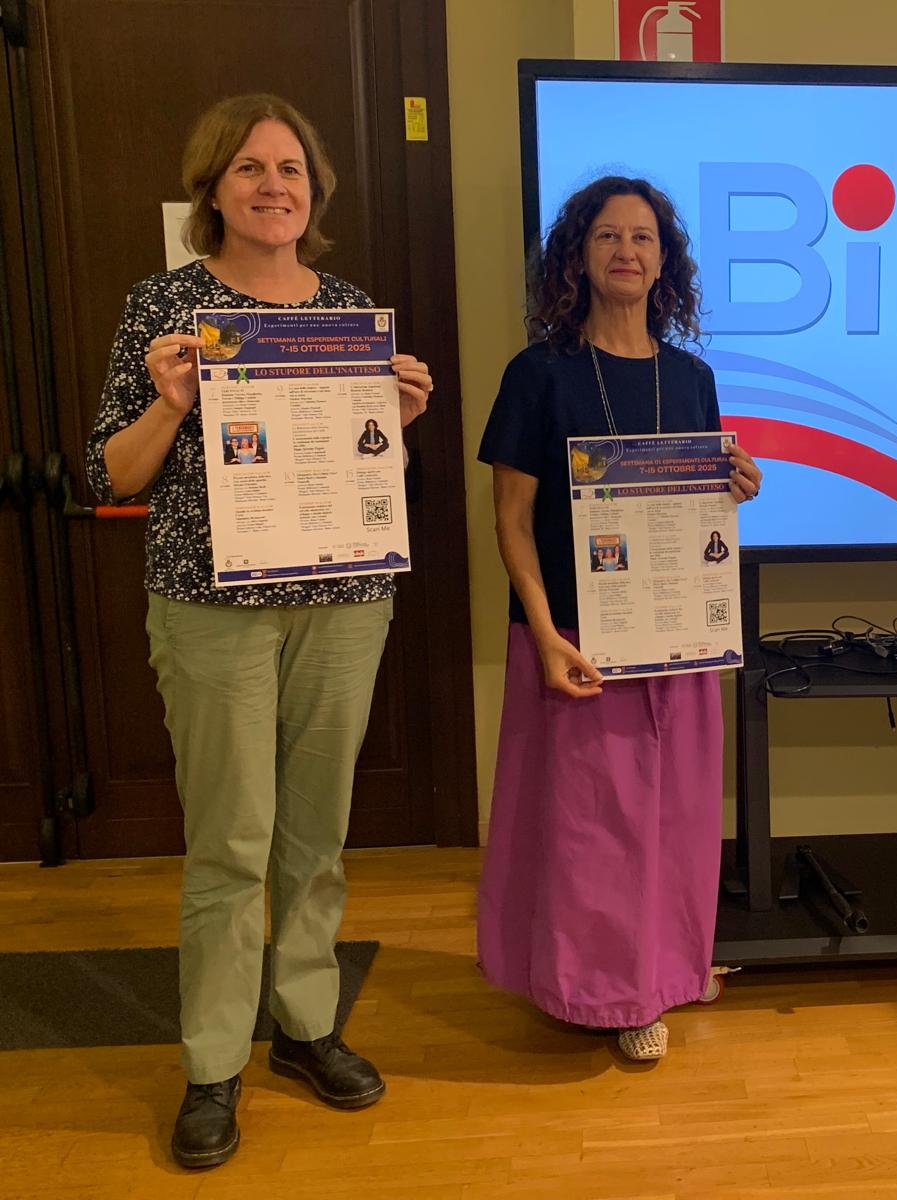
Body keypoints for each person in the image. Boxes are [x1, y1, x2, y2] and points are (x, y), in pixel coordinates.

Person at [84, 94, 436, 1168]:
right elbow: (113, 474)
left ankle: (306, 1026)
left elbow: (373, 476)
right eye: (249, 168)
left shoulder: (348, 309)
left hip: (343, 603)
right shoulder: (165, 306)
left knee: (315, 834)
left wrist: (396, 426)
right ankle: (212, 1064)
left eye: (290, 169)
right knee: (231, 842)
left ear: (314, 192)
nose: (273, 186)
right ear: (213, 188)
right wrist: (170, 403)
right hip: (210, 610)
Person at [477, 176, 761, 1063]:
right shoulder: (538, 374)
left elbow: (697, 516)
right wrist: (542, 633)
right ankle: (609, 994)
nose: (626, 251)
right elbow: (511, 522)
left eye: (643, 237)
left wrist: (735, 487)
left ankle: (668, 967)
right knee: (594, 831)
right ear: (578, 255)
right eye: (607, 236)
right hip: (576, 643)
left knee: (676, 818)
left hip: (676, 639)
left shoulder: (692, 378)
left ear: (665, 261)